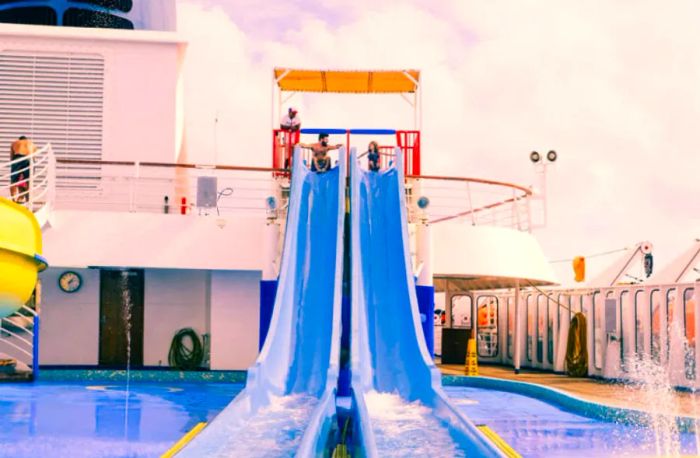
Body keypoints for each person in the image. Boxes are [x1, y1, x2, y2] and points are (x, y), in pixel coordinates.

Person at [10, 136, 36, 204]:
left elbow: (12, 157)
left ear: (19, 140)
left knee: (13, 181)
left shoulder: (15, 143)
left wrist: (14, 167)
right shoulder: (32, 144)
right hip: (29, 158)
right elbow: (33, 158)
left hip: (18, 158)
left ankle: (13, 200)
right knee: (29, 180)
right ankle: (28, 199)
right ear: (26, 139)